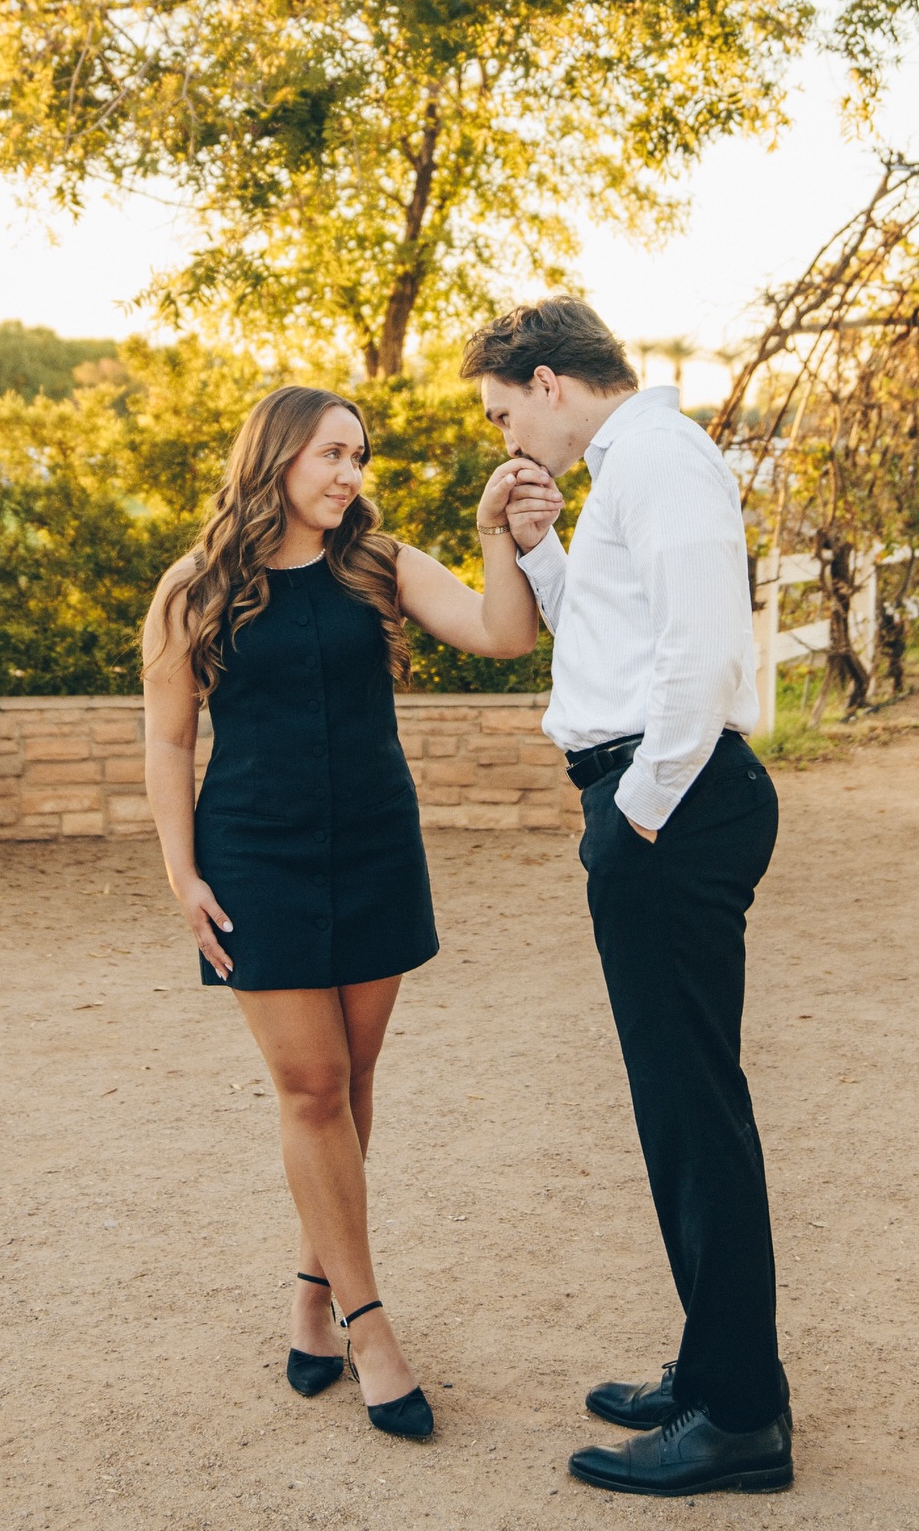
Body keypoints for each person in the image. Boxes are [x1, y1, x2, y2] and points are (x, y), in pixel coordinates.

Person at [142, 384, 543, 1442]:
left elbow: (504, 633)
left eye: (358, 457)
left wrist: (497, 535)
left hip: (373, 848)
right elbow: (168, 740)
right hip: (254, 859)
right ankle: (370, 1328)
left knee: (355, 1080)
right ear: (275, 454)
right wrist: (182, 875)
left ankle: (311, 1299)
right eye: (330, 454)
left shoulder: (380, 563)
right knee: (312, 1086)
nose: (348, 475)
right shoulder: (195, 587)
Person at [460, 298, 793, 1497]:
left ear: (547, 381)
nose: (506, 439)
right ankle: (716, 1371)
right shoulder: (628, 466)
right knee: (681, 1113)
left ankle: (740, 1415)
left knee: (695, 1115)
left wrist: (634, 820)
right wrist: (544, 549)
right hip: (665, 802)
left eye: (504, 413)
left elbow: (701, 660)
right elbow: (607, 643)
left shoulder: (658, 458)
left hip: (675, 807)